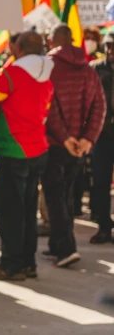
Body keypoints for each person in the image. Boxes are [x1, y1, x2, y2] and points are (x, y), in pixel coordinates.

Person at [0, 32, 54, 280]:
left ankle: (11, 265)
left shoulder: (11, 74)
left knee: (9, 211)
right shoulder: (48, 76)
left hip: (11, 150)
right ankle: (28, 262)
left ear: (17, 48)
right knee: (28, 210)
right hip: (37, 149)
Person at [43, 24, 105, 267]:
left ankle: (66, 249)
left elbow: (49, 106)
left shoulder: (48, 66)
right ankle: (57, 245)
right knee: (66, 194)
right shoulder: (88, 68)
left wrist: (65, 137)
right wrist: (87, 138)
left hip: (56, 143)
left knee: (55, 196)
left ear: (53, 41)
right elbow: (99, 106)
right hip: (79, 145)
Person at [91, 33, 114, 244]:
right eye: (108, 46)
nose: (110, 50)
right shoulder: (96, 68)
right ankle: (103, 227)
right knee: (100, 182)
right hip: (102, 134)